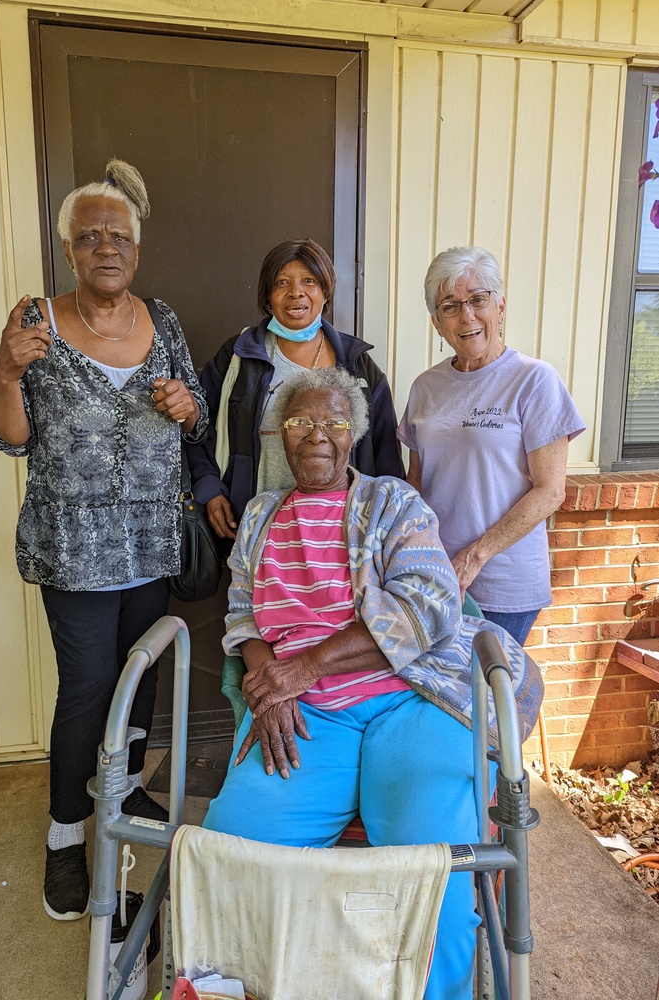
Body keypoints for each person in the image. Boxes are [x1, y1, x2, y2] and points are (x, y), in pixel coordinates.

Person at [203, 368, 544, 1000]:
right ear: (280, 433)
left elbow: (431, 602)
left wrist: (304, 666)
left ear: (355, 434)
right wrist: (267, 679)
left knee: (429, 874)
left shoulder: (393, 502)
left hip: (407, 700)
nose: (317, 437)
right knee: (227, 852)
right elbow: (243, 612)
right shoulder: (257, 516)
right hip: (306, 714)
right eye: (301, 422)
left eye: (334, 423)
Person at [0, 160, 208, 921]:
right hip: (73, 548)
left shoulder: (164, 319)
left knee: (139, 674)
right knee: (84, 689)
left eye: (118, 236)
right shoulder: (34, 318)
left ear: (135, 250)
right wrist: (5, 374)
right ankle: (63, 835)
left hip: (147, 540)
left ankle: (125, 783)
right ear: (70, 251)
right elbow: (9, 438)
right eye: (89, 237)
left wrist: (186, 404)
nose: (104, 247)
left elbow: (195, 409)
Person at [398, 246, 586, 646]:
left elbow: (550, 491)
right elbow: (416, 482)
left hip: (502, 581)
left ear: (500, 306)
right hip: (435, 575)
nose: (467, 316)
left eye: (478, 300)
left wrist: (474, 556)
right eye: (450, 306)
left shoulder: (535, 381)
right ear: (436, 322)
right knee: (442, 700)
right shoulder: (425, 387)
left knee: (490, 698)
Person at [187, 238, 404, 541]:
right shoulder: (239, 357)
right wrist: (209, 488)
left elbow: (387, 461)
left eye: (309, 281)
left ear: (325, 291)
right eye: (282, 282)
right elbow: (196, 428)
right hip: (255, 530)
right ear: (268, 295)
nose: (296, 292)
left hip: (339, 537)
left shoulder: (358, 368)